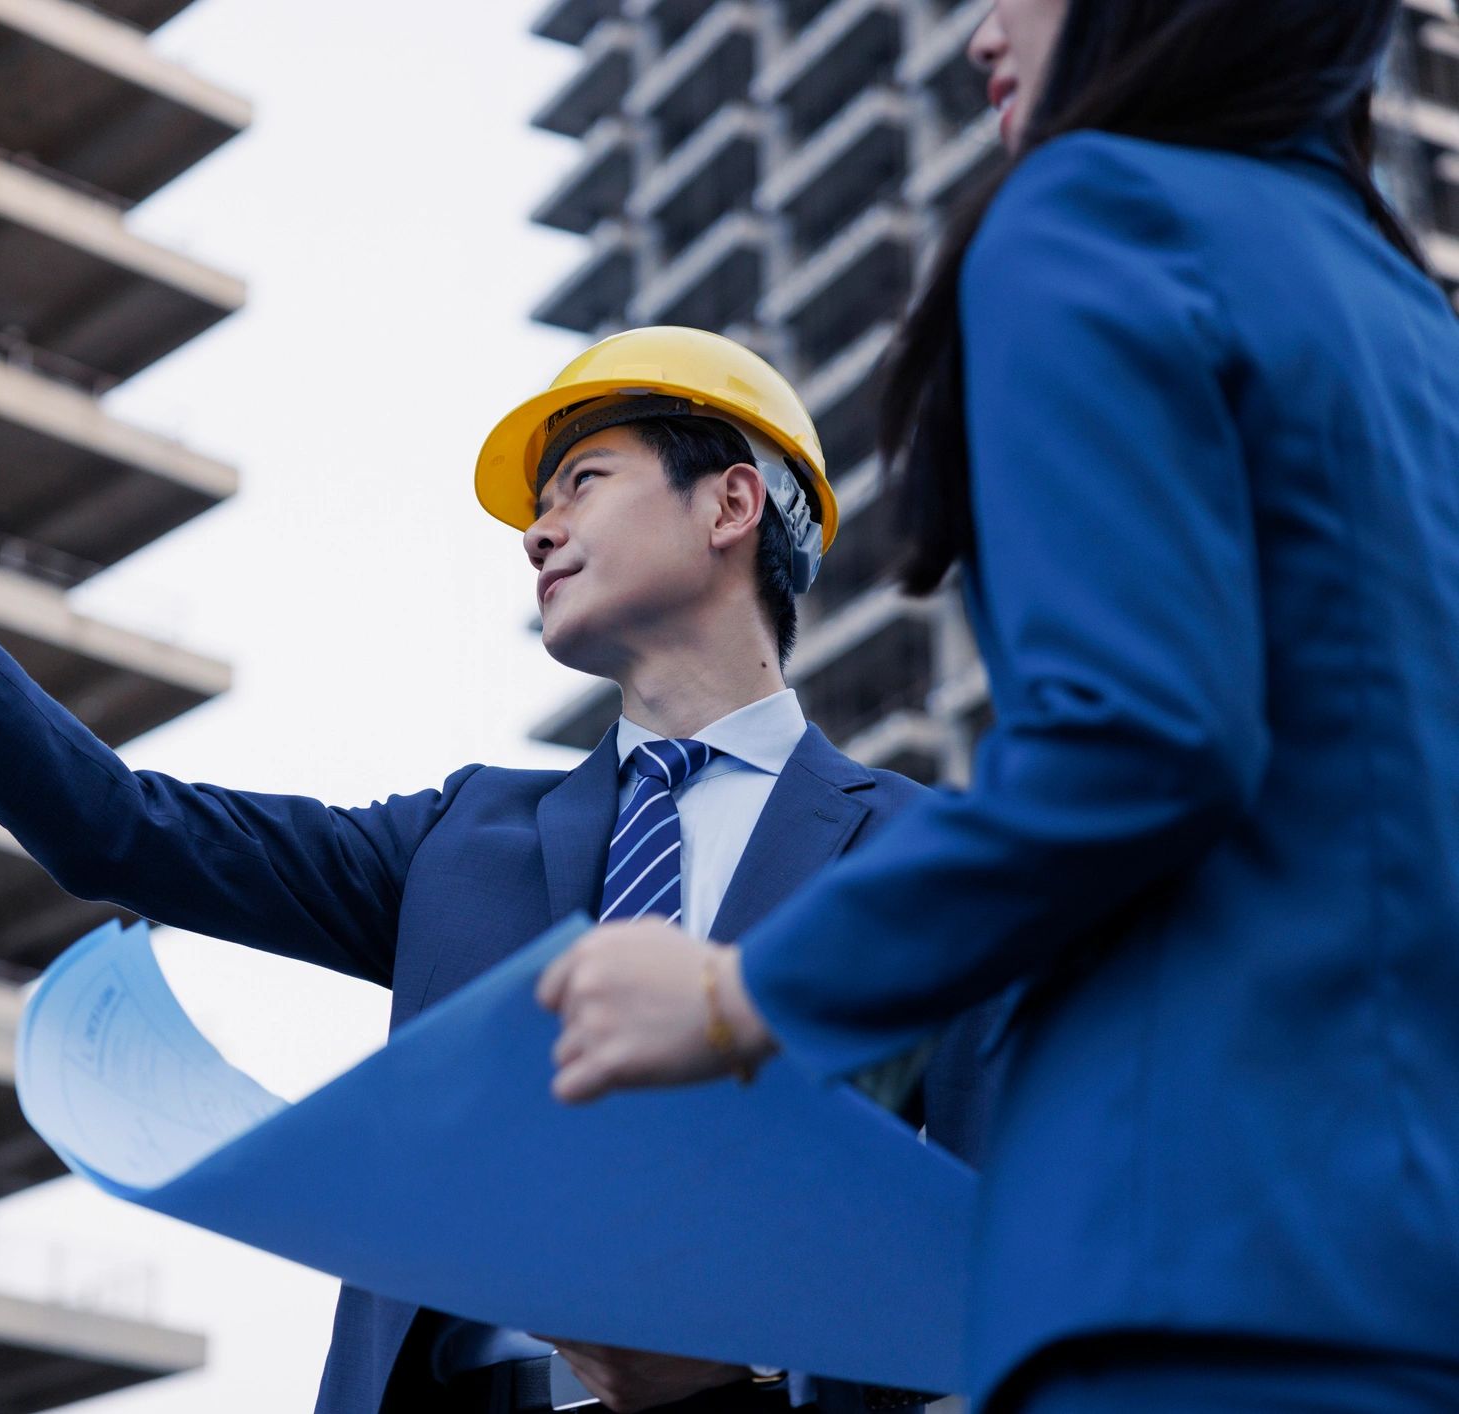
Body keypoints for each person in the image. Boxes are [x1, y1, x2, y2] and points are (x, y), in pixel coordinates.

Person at [0, 326, 993, 1413]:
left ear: (731, 501)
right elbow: (120, 827)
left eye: (582, 478)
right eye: (538, 504)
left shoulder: (925, 858)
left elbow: (1002, 1231)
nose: (537, 529)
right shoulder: (462, 838)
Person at [537, 2, 1459, 1411]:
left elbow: (1141, 743)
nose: (977, 30)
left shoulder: (1094, 211)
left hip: (1191, 1278)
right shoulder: (1405, 307)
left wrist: (744, 994)